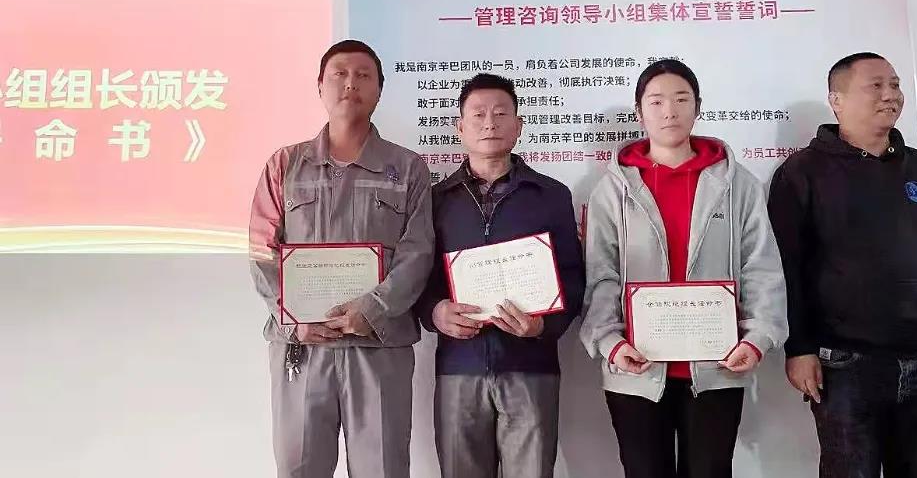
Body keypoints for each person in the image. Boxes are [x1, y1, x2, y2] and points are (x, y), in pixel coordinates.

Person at [768, 52, 917, 478]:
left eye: (895, 85)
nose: (890, 95)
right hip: (845, 366)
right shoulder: (802, 172)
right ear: (837, 101)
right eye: (875, 86)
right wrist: (799, 348)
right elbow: (787, 270)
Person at [579, 58, 787, 478]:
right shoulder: (612, 190)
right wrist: (610, 342)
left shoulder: (737, 184)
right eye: (656, 101)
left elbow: (761, 266)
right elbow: (601, 274)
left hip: (718, 366)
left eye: (681, 99)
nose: (669, 111)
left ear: (698, 106)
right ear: (639, 112)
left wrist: (757, 338)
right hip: (635, 368)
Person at [248, 39, 435, 478]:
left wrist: (374, 308)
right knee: (299, 466)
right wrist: (293, 318)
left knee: (382, 468)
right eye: (340, 74)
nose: (351, 83)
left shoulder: (408, 168)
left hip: (378, 343)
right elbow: (262, 250)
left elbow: (418, 251)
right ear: (320, 87)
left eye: (364, 75)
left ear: (379, 90)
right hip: (303, 345)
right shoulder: (285, 165)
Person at [417, 73, 585, 478]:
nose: (489, 123)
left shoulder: (552, 195)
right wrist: (435, 313)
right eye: (478, 114)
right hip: (459, 365)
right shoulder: (435, 200)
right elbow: (418, 276)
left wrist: (543, 326)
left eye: (500, 113)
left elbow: (573, 277)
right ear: (460, 128)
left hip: (531, 364)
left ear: (518, 125)